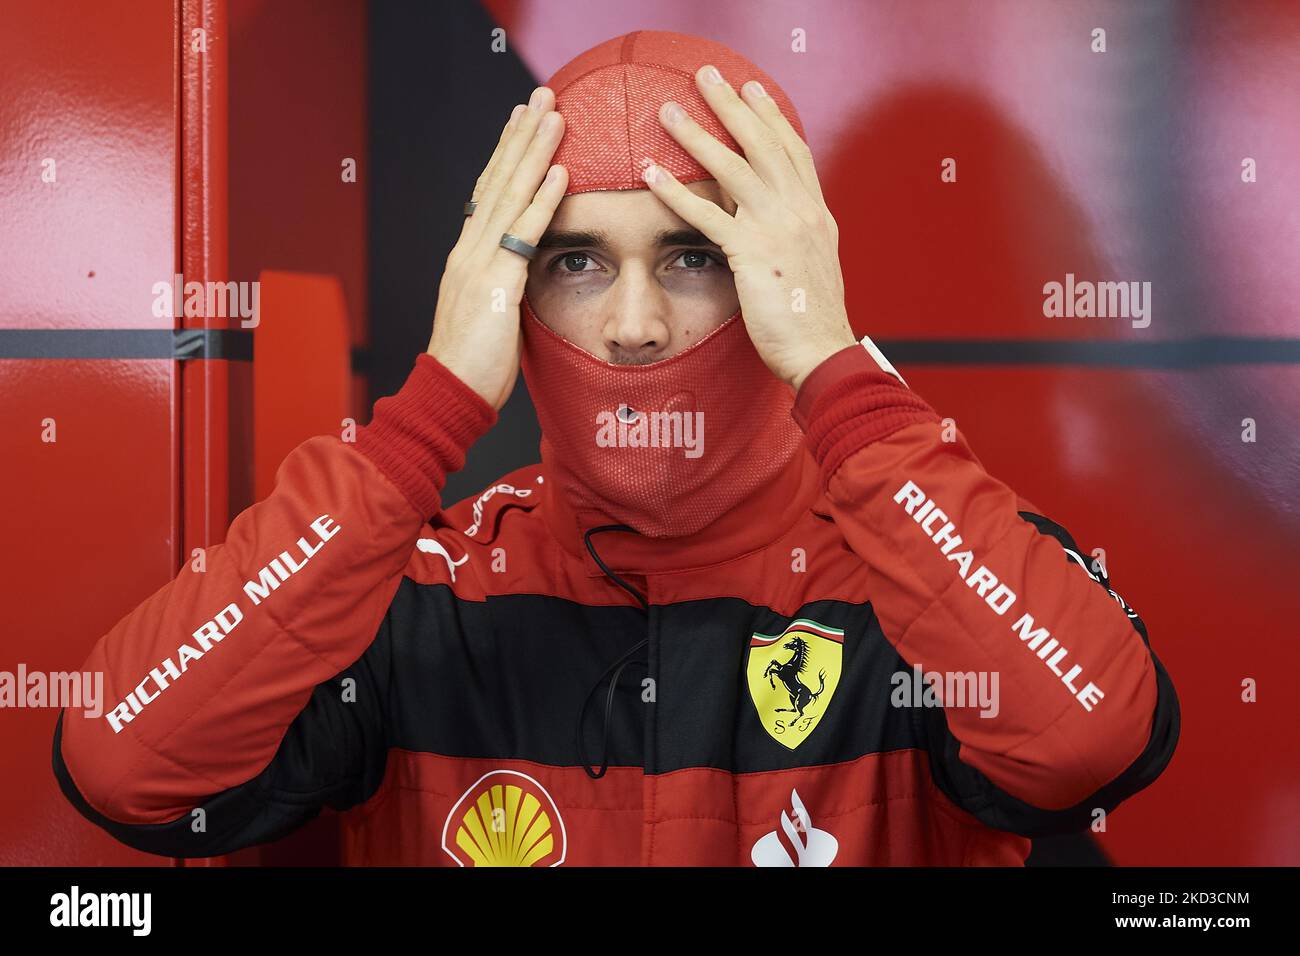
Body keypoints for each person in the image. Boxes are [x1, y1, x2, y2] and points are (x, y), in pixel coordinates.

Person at [53, 30, 1178, 867]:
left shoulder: (915, 573)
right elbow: (122, 759)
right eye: (576, 261)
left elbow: (1085, 736)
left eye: (694, 256)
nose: (634, 327)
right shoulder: (421, 593)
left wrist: (837, 372)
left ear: (778, 273)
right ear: (505, 286)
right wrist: (423, 418)